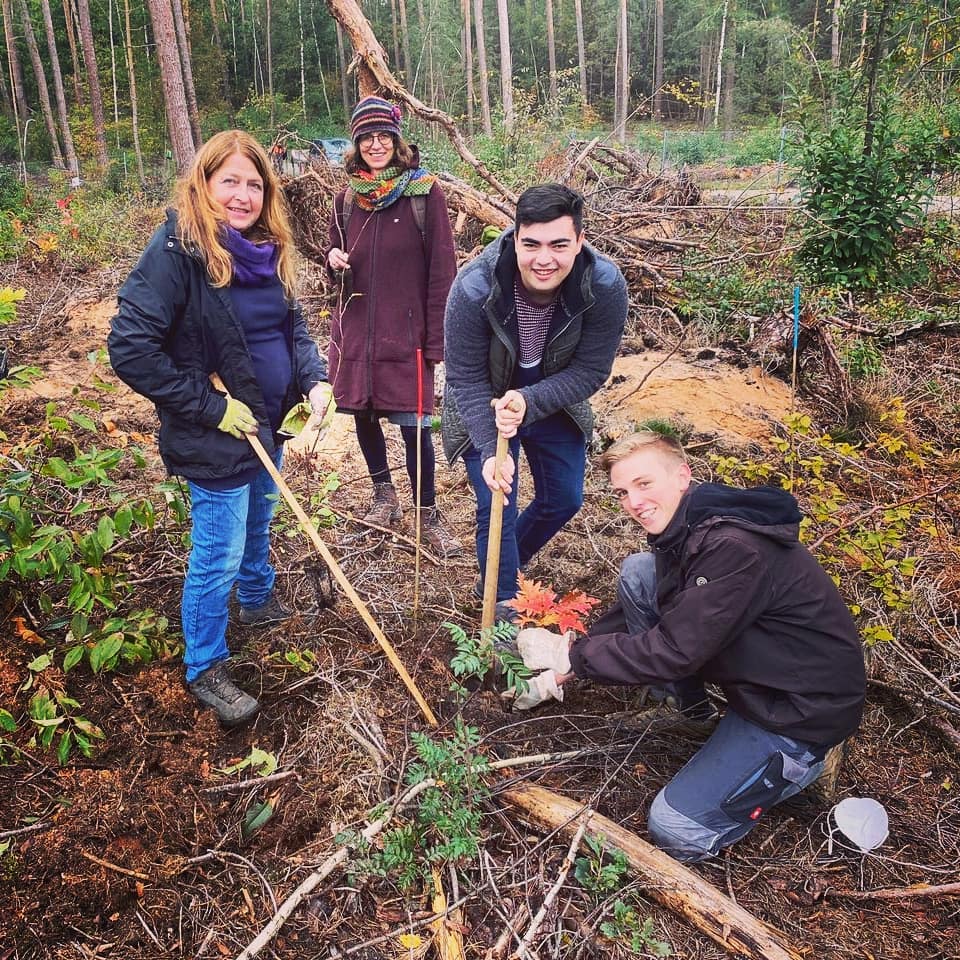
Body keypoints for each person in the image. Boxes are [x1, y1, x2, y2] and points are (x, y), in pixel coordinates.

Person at [512, 431, 867, 862]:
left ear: (683, 474)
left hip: (795, 712)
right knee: (641, 574)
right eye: (622, 492)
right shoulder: (689, 528)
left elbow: (674, 650)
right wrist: (563, 670)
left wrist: (569, 655)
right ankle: (688, 710)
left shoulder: (733, 548)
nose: (634, 502)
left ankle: (799, 768)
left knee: (676, 829)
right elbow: (662, 610)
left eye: (644, 484)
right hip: (760, 676)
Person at [108, 130, 330, 728]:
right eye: (229, 180)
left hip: (270, 425)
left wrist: (315, 379)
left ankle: (257, 602)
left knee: (260, 520)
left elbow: (293, 329)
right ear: (204, 183)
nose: (243, 194)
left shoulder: (266, 247)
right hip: (216, 435)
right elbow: (129, 348)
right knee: (218, 553)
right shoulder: (178, 251)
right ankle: (205, 663)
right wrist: (211, 410)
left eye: (254, 183)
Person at [442, 184, 628, 615]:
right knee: (497, 498)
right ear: (514, 236)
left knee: (564, 498)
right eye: (532, 244)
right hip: (484, 400)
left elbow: (591, 370)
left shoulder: (603, 284)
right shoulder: (474, 286)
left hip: (554, 395)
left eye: (559, 245)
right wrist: (492, 449)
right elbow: (465, 377)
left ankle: (498, 569)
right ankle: (502, 602)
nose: (544, 259)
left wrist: (530, 399)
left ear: (580, 241)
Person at [327, 96, 461, 558]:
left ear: (397, 140)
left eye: (384, 136)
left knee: (415, 425)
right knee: (363, 414)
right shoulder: (347, 197)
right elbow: (333, 255)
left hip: (408, 334)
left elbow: (443, 270)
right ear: (357, 143)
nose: (376, 144)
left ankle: (428, 511)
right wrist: (333, 261)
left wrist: (437, 339)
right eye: (367, 137)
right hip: (358, 328)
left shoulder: (425, 193)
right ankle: (384, 496)